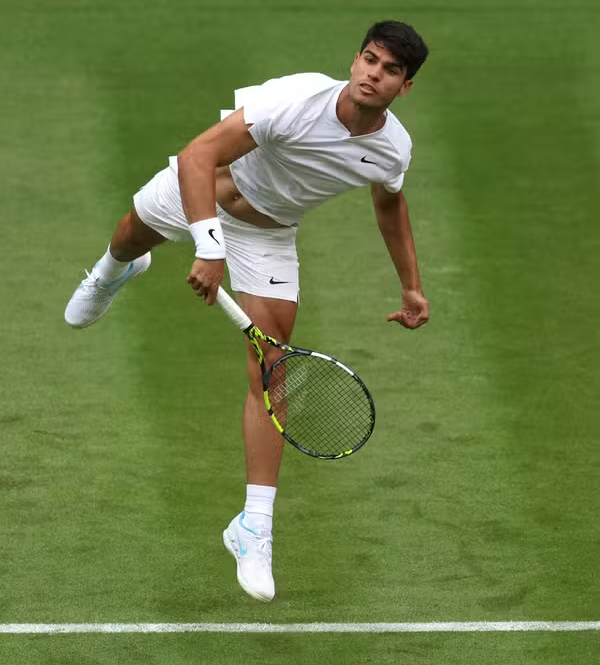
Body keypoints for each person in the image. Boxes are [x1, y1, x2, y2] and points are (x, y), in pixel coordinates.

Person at [64, 20, 430, 603]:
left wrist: (411, 286)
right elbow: (197, 154)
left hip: (268, 238)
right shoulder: (296, 100)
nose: (372, 74)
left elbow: (391, 207)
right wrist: (208, 246)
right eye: (368, 59)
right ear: (355, 59)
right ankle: (114, 273)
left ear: (403, 87)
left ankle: (253, 526)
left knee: (272, 371)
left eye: (389, 70)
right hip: (204, 191)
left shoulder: (392, 150)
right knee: (130, 236)